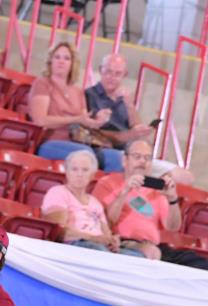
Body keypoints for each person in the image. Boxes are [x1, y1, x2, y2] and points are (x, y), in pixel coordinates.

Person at [91, 140, 208, 269]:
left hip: (156, 246)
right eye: (137, 157)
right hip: (123, 242)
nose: (142, 161)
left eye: (147, 158)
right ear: (125, 160)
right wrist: (125, 191)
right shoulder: (107, 183)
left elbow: (172, 227)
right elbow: (106, 221)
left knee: (199, 264)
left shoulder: (156, 190)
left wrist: (172, 200)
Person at [85, 53, 195, 185]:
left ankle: (149, 191)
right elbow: (93, 133)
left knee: (184, 177)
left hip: (133, 152)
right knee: (138, 165)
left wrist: (130, 106)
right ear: (100, 70)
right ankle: (143, 189)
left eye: (117, 74)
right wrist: (129, 135)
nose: (112, 77)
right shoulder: (89, 95)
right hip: (110, 151)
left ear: (124, 75)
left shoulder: (124, 98)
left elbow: (136, 126)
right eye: (108, 72)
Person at [29, 41, 124, 172]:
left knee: (117, 157)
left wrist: (98, 120)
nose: (61, 61)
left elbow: (85, 121)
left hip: (77, 142)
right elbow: (40, 120)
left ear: (72, 64)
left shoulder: (78, 91)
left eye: (66, 58)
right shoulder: (42, 84)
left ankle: (106, 191)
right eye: (57, 57)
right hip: (50, 142)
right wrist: (75, 119)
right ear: (50, 61)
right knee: (85, 154)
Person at [41, 149, 143, 256]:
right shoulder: (58, 192)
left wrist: (112, 241)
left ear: (93, 174)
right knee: (97, 250)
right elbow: (58, 232)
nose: (79, 174)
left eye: (85, 170)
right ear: (66, 171)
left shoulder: (95, 202)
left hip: (98, 246)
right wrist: (93, 238)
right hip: (74, 245)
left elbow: (106, 233)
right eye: (74, 169)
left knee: (136, 257)